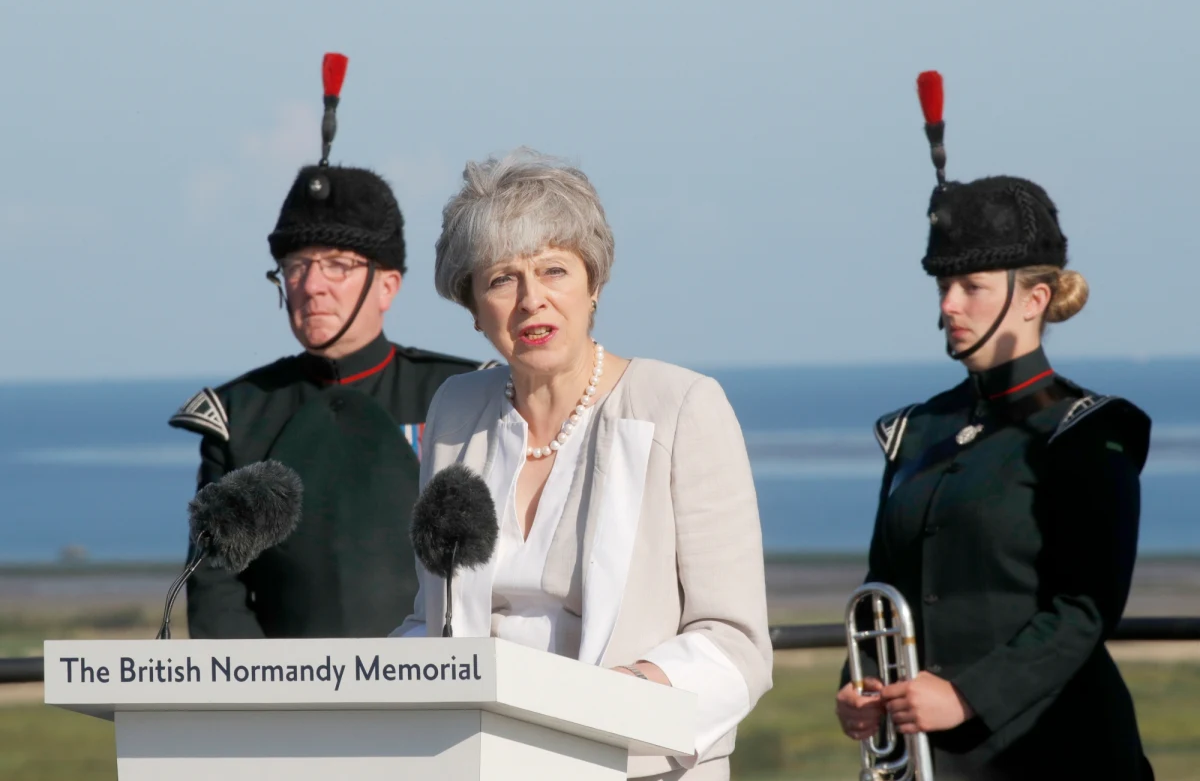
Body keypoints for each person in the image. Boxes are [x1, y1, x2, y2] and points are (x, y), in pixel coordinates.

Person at [389, 148, 773, 780]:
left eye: (553, 270)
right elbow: (435, 622)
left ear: (594, 283)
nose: (531, 300)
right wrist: (358, 682)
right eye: (501, 279)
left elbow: (735, 644)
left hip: (632, 763)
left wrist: (617, 698)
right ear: (474, 308)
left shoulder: (681, 407)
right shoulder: (456, 412)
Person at [834, 71, 1155, 780]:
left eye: (972, 286)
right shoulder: (917, 429)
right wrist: (856, 686)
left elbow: (1083, 610)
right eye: (944, 286)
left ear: (1035, 297)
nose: (950, 304)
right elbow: (884, 584)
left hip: (1059, 755)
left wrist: (964, 695)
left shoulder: (1086, 431)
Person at [168, 53, 495, 639]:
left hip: (435, 697)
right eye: (295, 266)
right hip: (280, 713)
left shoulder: (464, 393)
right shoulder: (239, 412)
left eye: (339, 265)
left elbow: (497, 569)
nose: (311, 285)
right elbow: (216, 589)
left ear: (388, 285)